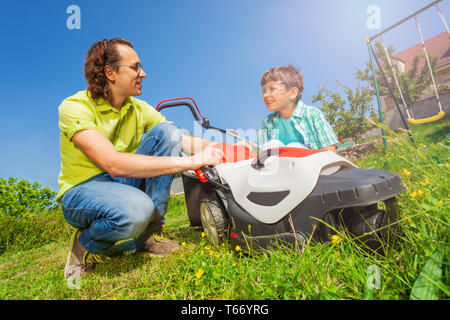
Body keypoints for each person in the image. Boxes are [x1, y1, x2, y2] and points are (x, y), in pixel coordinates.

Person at [58, 38, 225, 279]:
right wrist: (191, 162)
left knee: (168, 132)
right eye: (135, 67)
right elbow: (111, 163)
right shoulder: (74, 106)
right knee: (136, 212)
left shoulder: (138, 108)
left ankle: (149, 235)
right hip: (82, 192)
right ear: (110, 72)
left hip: (119, 185)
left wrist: (227, 147)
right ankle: (86, 241)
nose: (143, 74)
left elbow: (182, 140)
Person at [259, 65, 338, 152]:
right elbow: (263, 153)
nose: (265, 95)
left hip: (310, 162)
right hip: (278, 163)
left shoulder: (312, 114)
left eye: (272, 89)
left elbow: (329, 148)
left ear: (292, 93)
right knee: (272, 144)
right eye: (264, 91)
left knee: (294, 146)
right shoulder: (267, 122)